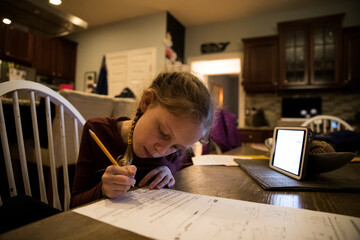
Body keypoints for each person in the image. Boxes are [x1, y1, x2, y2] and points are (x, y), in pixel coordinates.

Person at [70, 71, 214, 208]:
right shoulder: (98, 130)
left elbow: (182, 164)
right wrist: (102, 190)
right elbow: (74, 203)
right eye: (163, 133)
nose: (161, 151)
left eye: (176, 147)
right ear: (147, 102)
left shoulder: (173, 153)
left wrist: (169, 170)